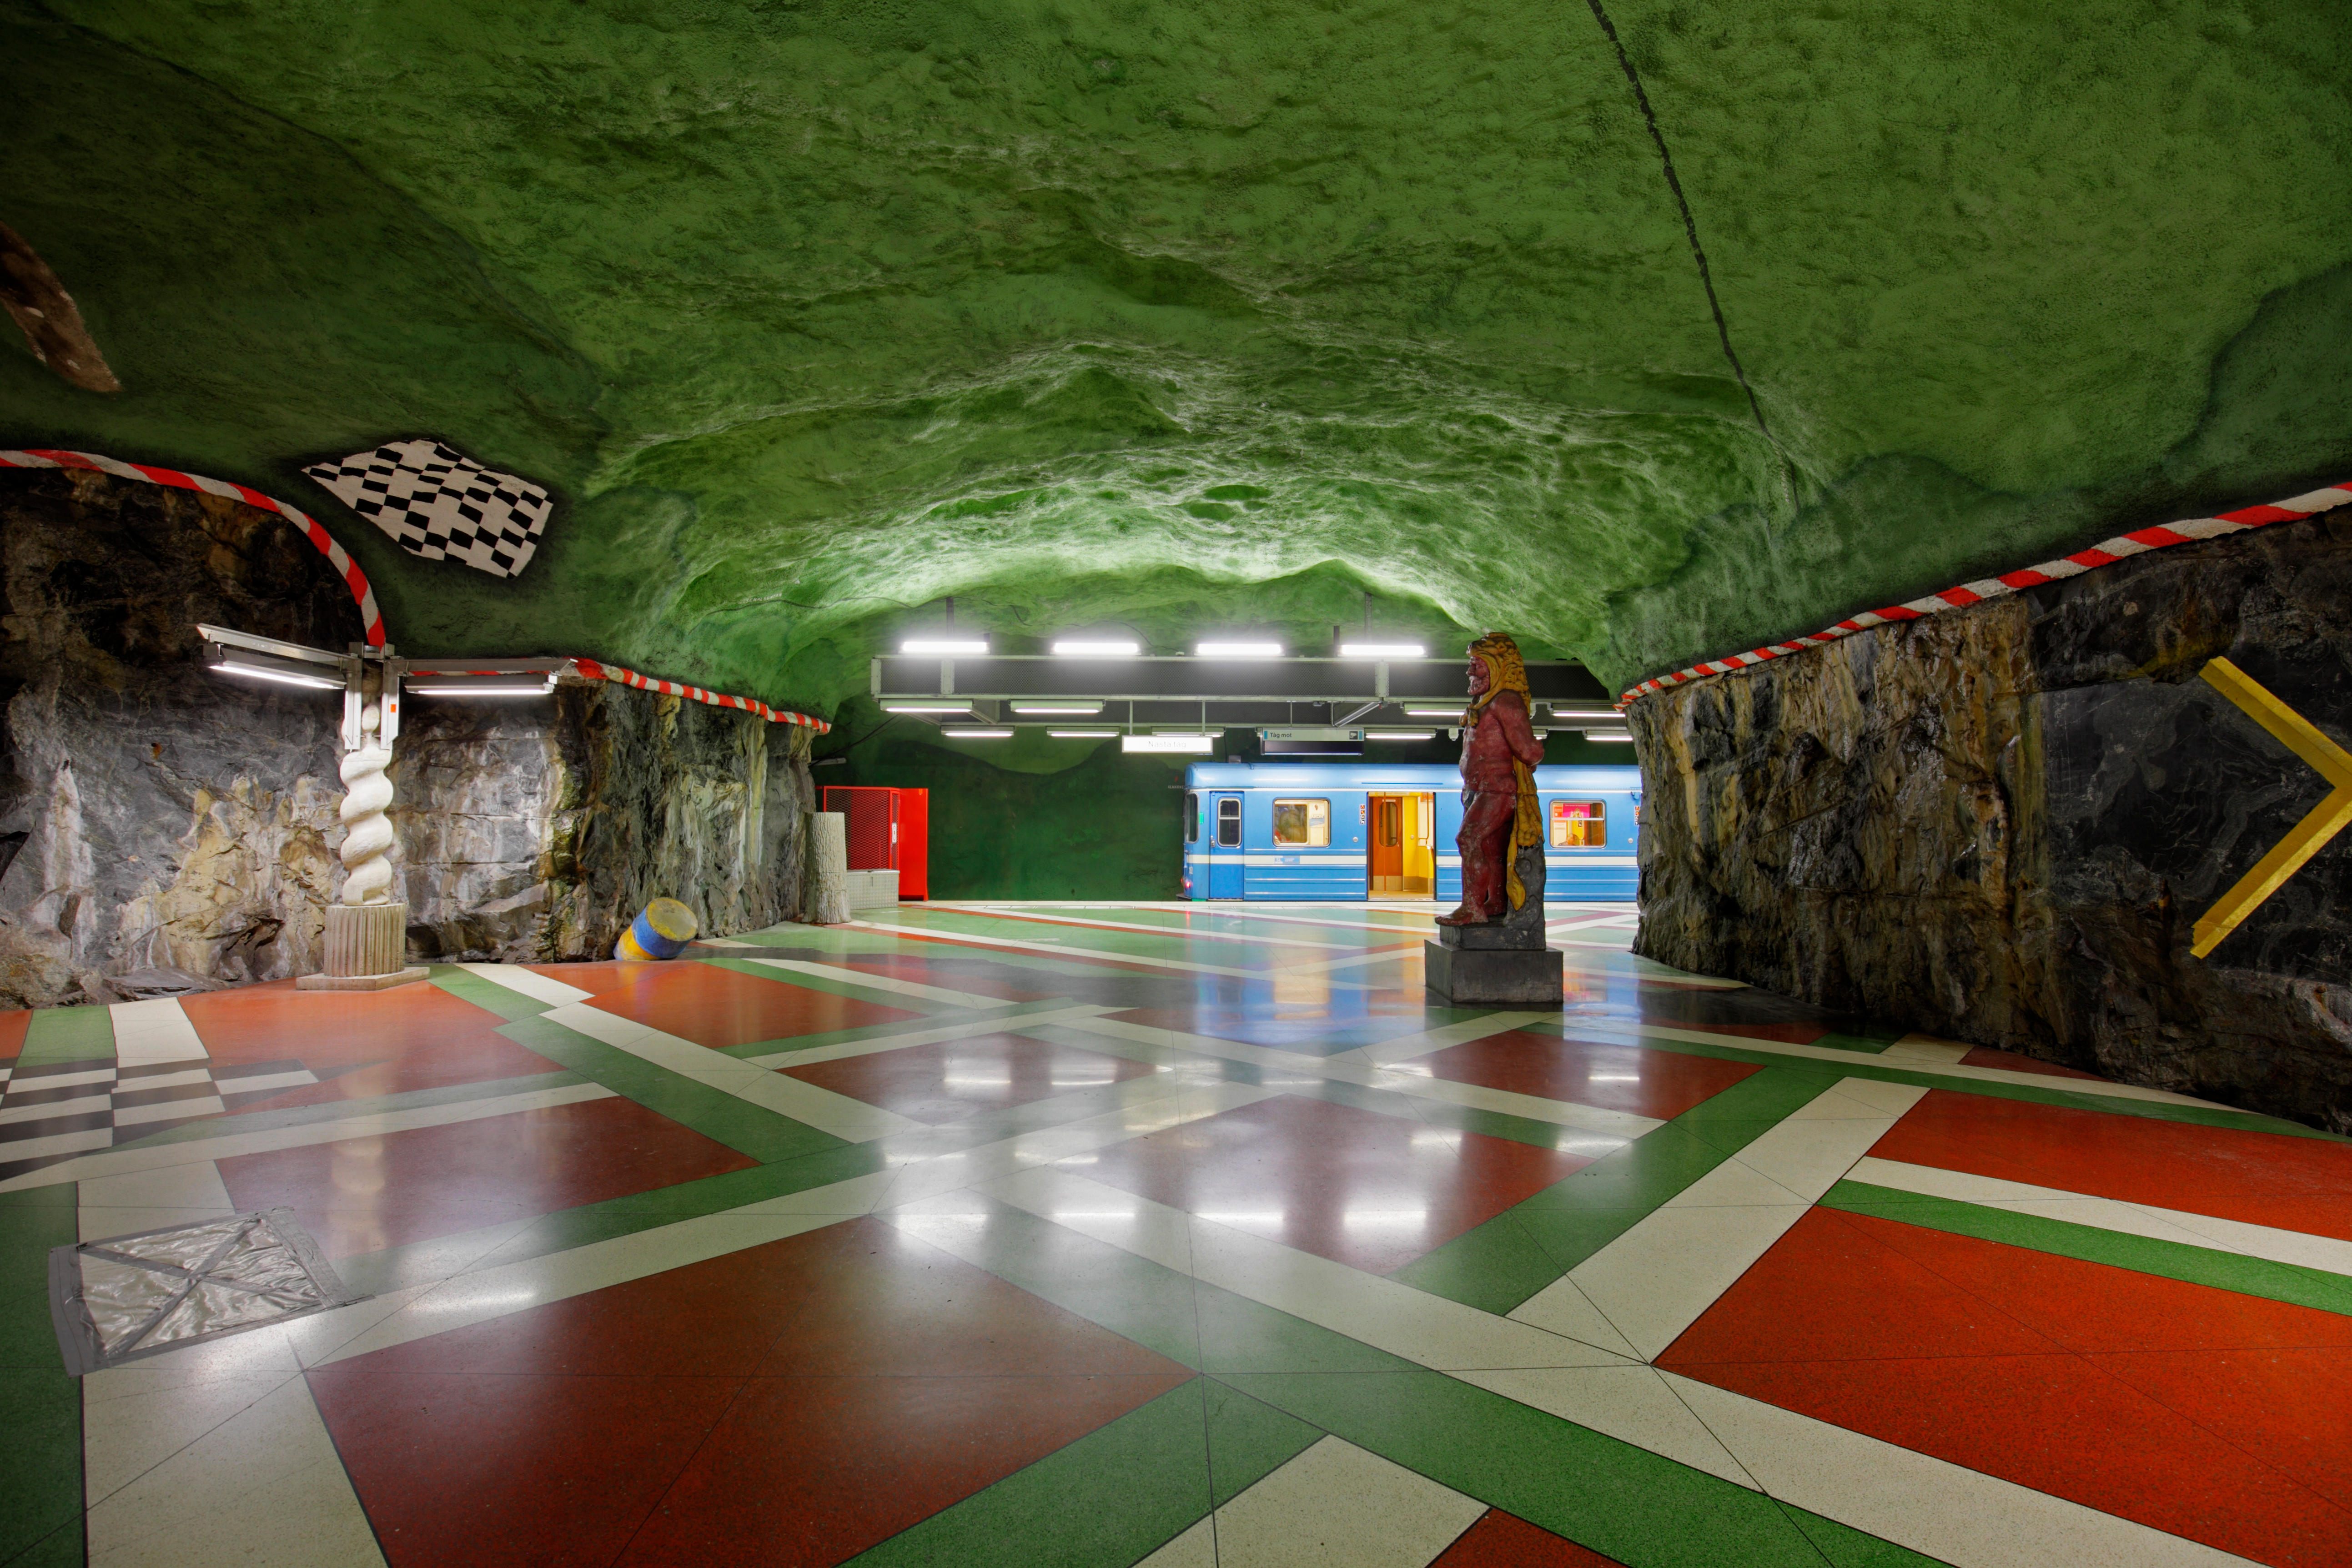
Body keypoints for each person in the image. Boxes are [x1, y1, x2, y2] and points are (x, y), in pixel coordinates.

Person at [1435, 632, 1544, 925]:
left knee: (1468, 839)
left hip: (1497, 790)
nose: (1470, 671)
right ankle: (1495, 902)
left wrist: (1535, 748)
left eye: (1477, 664)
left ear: (1497, 667)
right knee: (1490, 848)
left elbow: (1530, 752)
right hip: (1478, 789)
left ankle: (1472, 907)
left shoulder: (1506, 703)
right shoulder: (1484, 702)